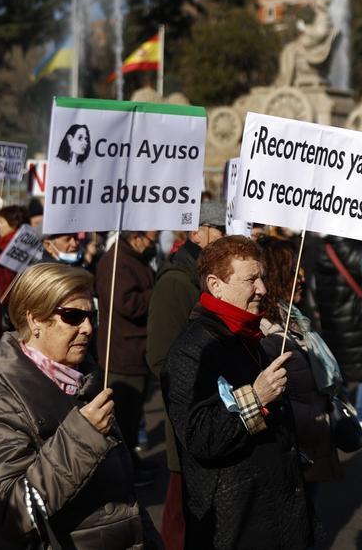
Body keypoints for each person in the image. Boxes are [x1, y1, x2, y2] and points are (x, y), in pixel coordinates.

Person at [0, 263, 160, 548]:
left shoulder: (86, 381)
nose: (88, 328)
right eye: (73, 316)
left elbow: (125, 498)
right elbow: (6, 513)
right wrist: (83, 437)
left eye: (91, 316)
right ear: (34, 321)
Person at [161, 236, 313, 549]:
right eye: (251, 280)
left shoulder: (247, 335)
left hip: (272, 512)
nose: (263, 290)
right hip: (235, 523)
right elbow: (200, 438)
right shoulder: (193, 350)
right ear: (215, 285)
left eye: (263, 278)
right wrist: (255, 398)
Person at [145, 201, 225, 549]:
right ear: (197, 233)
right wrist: (199, 388)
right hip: (191, 408)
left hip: (216, 407)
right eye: (221, 231)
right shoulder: (176, 281)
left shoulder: (211, 274)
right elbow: (160, 357)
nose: (227, 238)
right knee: (181, 510)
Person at [257, 235, 343, 496]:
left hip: (311, 438)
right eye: (293, 270)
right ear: (273, 277)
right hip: (294, 445)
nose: (302, 276)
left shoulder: (296, 318)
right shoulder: (266, 332)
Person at [95, 229, 159, 481]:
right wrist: (158, 294)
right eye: (150, 240)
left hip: (134, 349)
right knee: (122, 417)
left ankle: (129, 460)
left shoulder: (132, 258)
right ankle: (121, 470)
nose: (152, 245)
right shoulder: (117, 262)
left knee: (131, 417)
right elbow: (126, 304)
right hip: (122, 352)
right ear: (136, 238)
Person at [307, 233, 362, 435]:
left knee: (340, 368)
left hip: (330, 317)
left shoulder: (320, 249)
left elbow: (314, 284)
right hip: (357, 317)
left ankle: (344, 412)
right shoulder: (357, 250)